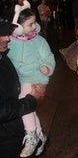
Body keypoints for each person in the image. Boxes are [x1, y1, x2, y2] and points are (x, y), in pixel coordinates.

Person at [8, 8, 55, 157]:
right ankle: (40, 134)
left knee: (24, 100)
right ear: (18, 27)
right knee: (30, 109)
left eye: (34, 23)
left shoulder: (39, 41)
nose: (34, 27)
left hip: (35, 76)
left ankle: (31, 135)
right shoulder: (10, 41)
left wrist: (47, 67)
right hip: (19, 80)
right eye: (30, 24)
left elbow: (49, 57)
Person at [0, 21, 46, 158]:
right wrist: (31, 100)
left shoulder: (4, 56)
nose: (7, 38)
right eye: (1, 34)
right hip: (6, 142)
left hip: (19, 132)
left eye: (7, 33)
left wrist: (35, 89)